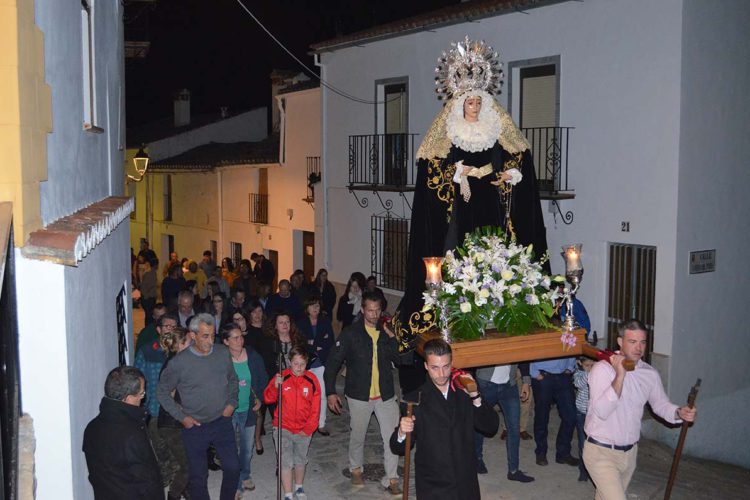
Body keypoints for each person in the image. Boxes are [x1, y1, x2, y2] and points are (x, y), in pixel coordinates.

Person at [390, 37, 549, 380]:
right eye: (470, 101)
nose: (475, 106)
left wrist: (512, 174)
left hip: (491, 202)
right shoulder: (447, 133)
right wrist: (456, 173)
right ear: (460, 103)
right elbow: (431, 170)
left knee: (496, 245)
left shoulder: (496, 129)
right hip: (459, 208)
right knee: (455, 250)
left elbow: (519, 158)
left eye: (479, 101)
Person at [584, 319, 697, 499]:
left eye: (642, 342)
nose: (639, 348)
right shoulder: (602, 370)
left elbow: (660, 404)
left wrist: (678, 412)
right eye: (632, 342)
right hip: (601, 452)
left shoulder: (649, 374)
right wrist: (620, 375)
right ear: (620, 342)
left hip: (630, 455)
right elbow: (602, 411)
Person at [390, 339, 499, 499]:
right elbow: (398, 448)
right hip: (433, 485)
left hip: (465, 482)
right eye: (435, 368)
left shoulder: (464, 392)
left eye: (446, 367)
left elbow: (490, 427)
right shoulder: (414, 399)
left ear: (452, 363)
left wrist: (476, 397)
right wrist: (401, 431)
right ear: (426, 366)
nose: (441, 374)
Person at [324, 291, 403, 495]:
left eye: (377, 310)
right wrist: (331, 392)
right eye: (370, 311)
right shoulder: (351, 333)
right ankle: (355, 468)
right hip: (359, 395)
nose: (374, 315)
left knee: (392, 437)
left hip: (385, 394)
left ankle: (392, 478)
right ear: (362, 310)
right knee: (358, 435)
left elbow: (401, 359)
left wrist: (393, 338)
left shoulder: (386, 332)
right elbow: (333, 362)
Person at [156, 313, 240, 500]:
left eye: (213, 335)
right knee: (198, 477)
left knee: (233, 467)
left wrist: (232, 403)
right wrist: (183, 418)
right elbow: (161, 392)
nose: (211, 341)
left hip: (222, 421)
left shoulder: (221, 353)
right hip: (195, 427)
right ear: (192, 335)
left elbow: (233, 380)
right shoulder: (179, 363)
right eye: (205, 336)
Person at [83, 366, 163, 500]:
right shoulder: (132, 434)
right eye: (142, 394)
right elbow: (148, 482)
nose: (143, 397)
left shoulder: (91, 428)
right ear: (128, 398)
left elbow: (95, 476)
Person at [263, 346, 321, 500]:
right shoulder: (282, 377)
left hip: (303, 429)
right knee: (285, 461)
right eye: (296, 363)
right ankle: (288, 494)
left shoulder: (312, 380)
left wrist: (309, 429)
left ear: (307, 363)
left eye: (302, 364)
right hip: (283, 427)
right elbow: (268, 399)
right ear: (289, 362)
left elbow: (316, 408)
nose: (299, 367)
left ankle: (299, 487)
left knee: (300, 460)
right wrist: (275, 387)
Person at [222, 322, 268, 497]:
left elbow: (263, 379)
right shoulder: (221, 358)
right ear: (226, 341)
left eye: (241, 336)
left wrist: (260, 400)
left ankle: (246, 474)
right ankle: (237, 484)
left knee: (247, 448)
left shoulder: (253, 356)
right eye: (234, 338)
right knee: (231, 448)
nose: (240, 340)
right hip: (229, 411)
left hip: (248, 409)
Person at [473, 362, 535, 483]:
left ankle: (514, 470)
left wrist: (526, 382)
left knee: (514, 428)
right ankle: (477, 459)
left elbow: (523, 356)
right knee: (480, 423)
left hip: (509, 385)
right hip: (486, 383)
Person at [134, 313, 177, 484]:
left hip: (177, 408)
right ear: (159, 329)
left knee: (176, 444)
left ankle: (177, 472)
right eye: (167, 326)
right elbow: (138, 377)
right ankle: (166, 471)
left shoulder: (181, 351)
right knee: (159, 444)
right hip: (154, 407)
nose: (171, 330)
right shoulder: (147, 350)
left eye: (174, 327)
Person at [158, 326, 192, 500]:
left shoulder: (178, 361)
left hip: (176, 423)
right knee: (188, 465)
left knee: (185, 462)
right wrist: (185, 413)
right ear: (180, 344)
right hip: (172, 424)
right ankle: (173, 496)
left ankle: (186, 491)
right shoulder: (173, 365)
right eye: (189, 341)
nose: (192, 344)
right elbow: (168, 397)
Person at [530, 356, 580, 467]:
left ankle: (563, 453)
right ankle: (541, 452)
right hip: (542, 376)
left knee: (570, 416)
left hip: (563, 375)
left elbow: (572, 346)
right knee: (541, 416)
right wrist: (534, 373)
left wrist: (570, 368)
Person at [297, 296, 335, 436]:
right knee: (305, 394)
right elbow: (300, 342)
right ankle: (305, 422)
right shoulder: (301, 323)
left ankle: (321, 423)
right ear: (307, 308)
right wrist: (316, 344)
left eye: (318, 306)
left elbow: (330, 340)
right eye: (312, 306)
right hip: (305, 363)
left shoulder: (325, 321)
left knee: (322, 393)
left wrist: (313, 342)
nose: (315, 309)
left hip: (321, 362)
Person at [573, 356, 595, 482]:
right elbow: (579, 384)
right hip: (582, 413)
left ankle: (594, 471)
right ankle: (583, 470)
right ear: (580, 363)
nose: (590, 368)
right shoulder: (579, 374)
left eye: (593, 365)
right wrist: (590, 374)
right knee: (583, 444)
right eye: (587, 365)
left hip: (595, 414)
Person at [140, 258, 158, 324]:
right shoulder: (150, 274)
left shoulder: (150, 273)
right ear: (156, 265)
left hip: (150, 297)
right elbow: (144, 286)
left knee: (149, 316)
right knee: (149, 316)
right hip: (149, 298)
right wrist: (146, 296)